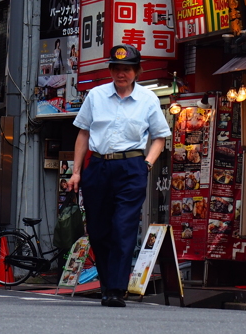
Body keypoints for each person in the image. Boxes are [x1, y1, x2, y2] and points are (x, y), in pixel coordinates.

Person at [68, 44, 171, 307]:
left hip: (131, 167)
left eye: (126, 69)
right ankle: (106, 284)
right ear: (110, 70)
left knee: (123, 227)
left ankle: (116, 288)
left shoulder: (148, 99)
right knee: (99, 230)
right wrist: (76, 172)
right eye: (116, 68)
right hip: (98, 167)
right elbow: (83, 133)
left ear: (137, 71)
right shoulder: (96, 95)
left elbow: (160, 137)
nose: (120, 74)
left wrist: (147, 164)